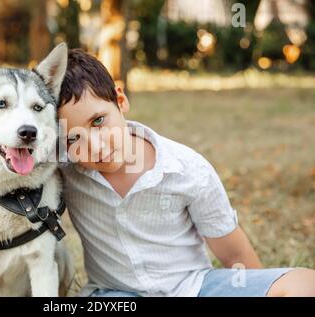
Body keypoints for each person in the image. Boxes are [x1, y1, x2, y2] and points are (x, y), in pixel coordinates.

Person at [55, 48, 315, 297]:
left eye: (99, 121)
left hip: (193, 288)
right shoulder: (65, 173)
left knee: (306, 284)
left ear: (120, 100)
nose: (96, 147)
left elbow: (235, 256)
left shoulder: (186, 169)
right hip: (116, 295)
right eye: (73, 139)